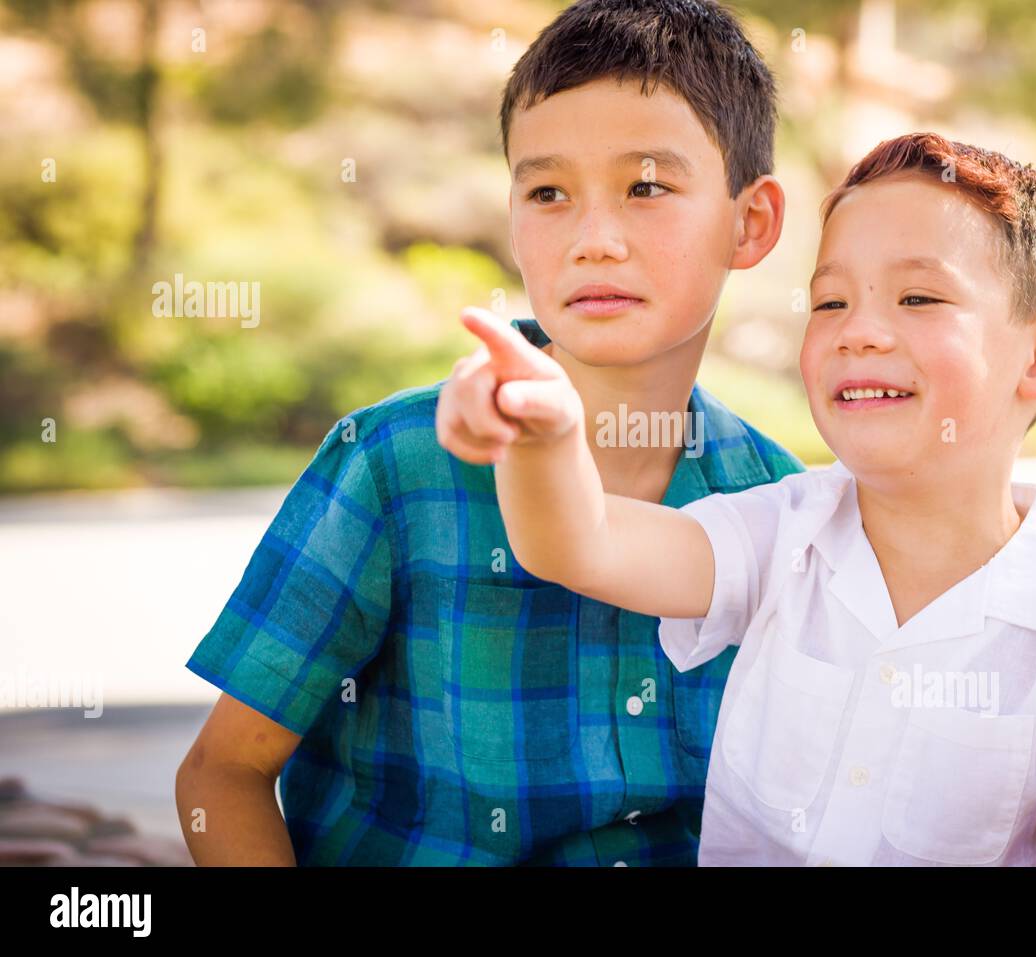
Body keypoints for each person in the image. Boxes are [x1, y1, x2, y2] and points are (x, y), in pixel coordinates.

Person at [443, 132, 1036, 865]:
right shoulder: (781, 528)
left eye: (918, 299)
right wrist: (545, 431)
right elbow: (580, 544)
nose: (858, 332)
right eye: (830, 302)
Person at [176, 0, 803, 866]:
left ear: (752, 222)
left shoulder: (776, 500)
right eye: (548, 193)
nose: (593, 239)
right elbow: (220, 775)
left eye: (647, 186)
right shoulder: (397, 465)